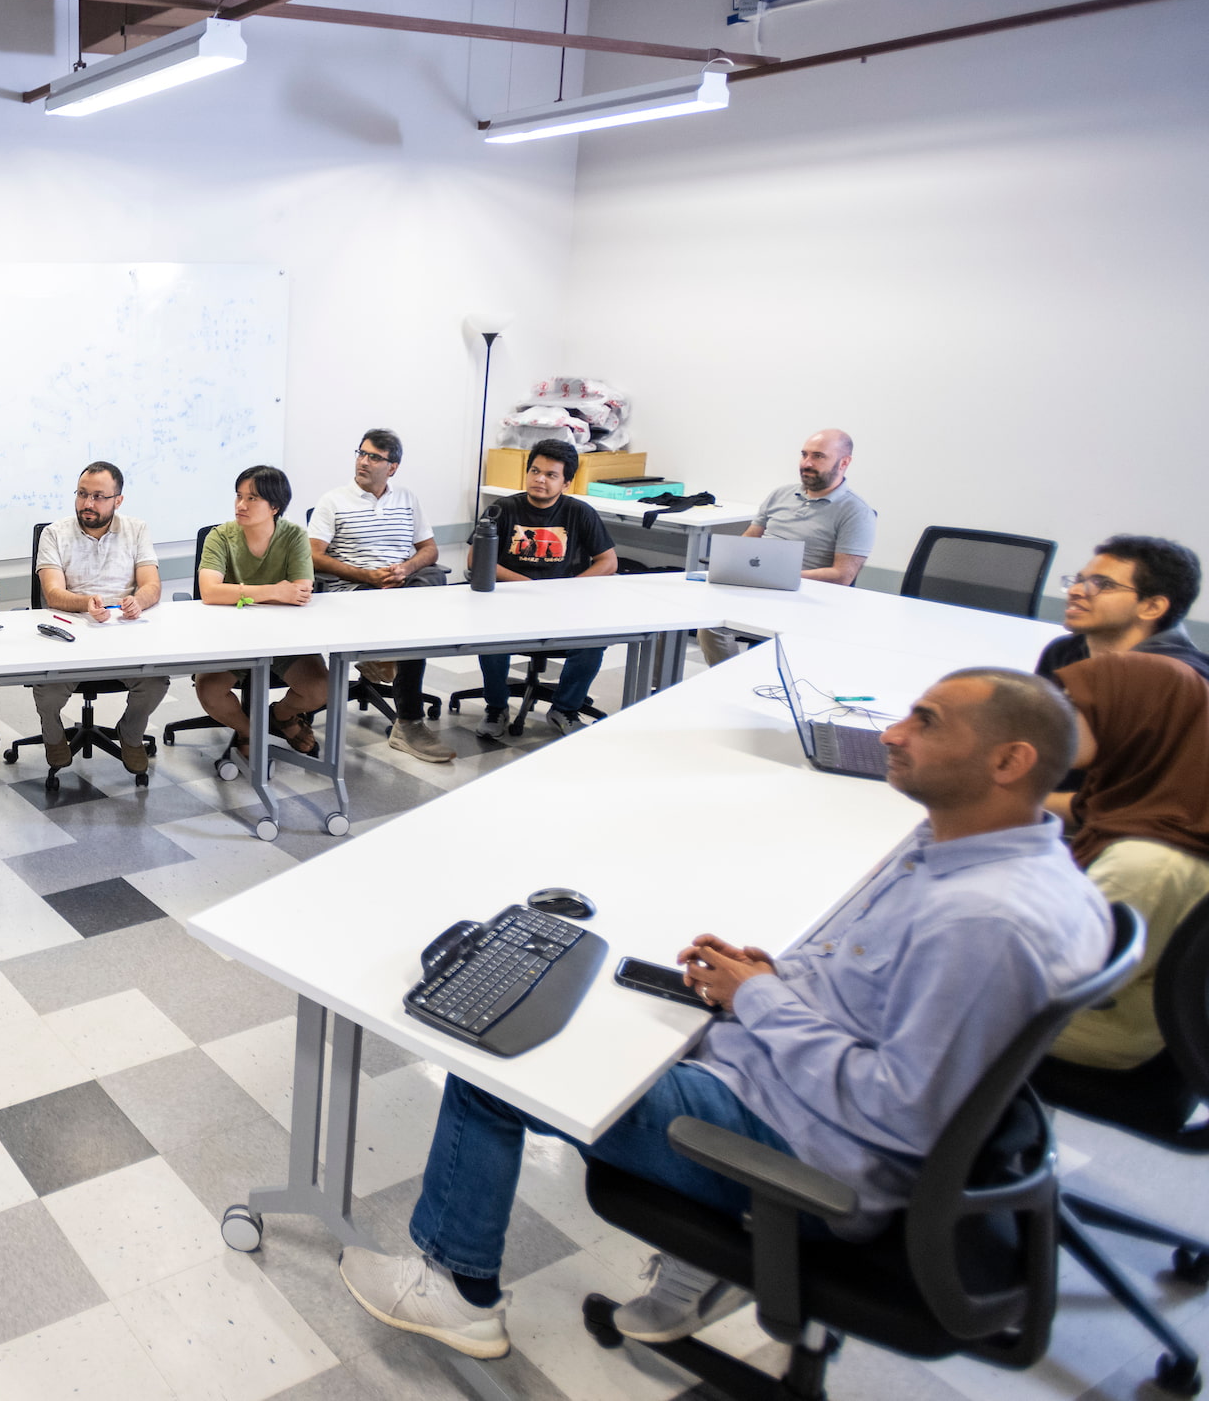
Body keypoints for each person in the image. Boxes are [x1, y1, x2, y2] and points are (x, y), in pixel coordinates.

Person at [336, 668, 1107, 1359]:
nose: (894, 733)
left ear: (1010, 762)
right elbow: (891, 998)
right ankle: (704, 1264)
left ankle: (456, 1289)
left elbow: (900, 1108)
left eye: (928, 722)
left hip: (806, 1150)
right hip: (792, 1087)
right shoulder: (992, 853)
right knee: (598, 993)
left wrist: (761, 998)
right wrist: (773, 979)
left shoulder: (985, 922)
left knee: (493, 1065)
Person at [1026, 654, 1209, 1132]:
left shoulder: (1149, 862)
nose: (1057, 718)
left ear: (1137, 723)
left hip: (1106, 1029)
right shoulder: (1166, 800)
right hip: (1141, 1013)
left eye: (1077, 708)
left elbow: (1057, 980)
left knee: (880, 991)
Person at [309, 429, 452, 764]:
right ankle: (410, 722)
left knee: (431, 579)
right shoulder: (333, 501)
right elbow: (312, 556)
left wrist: (406, 568)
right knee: (411, 630)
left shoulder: (407, 498)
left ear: (393, 467)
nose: (363, 461)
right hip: (357, 587)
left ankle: (384, 658)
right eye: (361, 453)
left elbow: (429, 550)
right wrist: (366, 575)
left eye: (374, 457)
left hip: (403, 585)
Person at [31, 462, 166, 778]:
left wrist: (138, 601)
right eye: (81, 494)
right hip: (71, 634)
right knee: (47, 693)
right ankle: (53, 736)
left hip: (123, 634)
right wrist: (84, 603)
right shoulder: (54, 533)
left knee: (156, 682)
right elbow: (52, 593)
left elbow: (152, 586)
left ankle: (131, 734)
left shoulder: (136, 529)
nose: (87, 504)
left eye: (98, 497)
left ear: (118, 500)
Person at [475, 438, 617, 738]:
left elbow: (608, 561)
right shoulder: (503, 508)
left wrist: (569, 590)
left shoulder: (580, 512)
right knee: (489, 637)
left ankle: (564, 708)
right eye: (535, 471)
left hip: (562, 607)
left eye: (551, 475)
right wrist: (528, 586)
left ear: (566, 482)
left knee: (593, 639)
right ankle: (496, 707)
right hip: (510, 602)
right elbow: (477, 560)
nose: (540, 479)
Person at [699, 429, 878, 664]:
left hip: (806, 598)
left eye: (818, 456)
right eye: (804, 455)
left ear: (844, 462)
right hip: (760, 587)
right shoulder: (780, 495)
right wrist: (732, 565)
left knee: (715, 628)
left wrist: (780, 577)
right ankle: (729, 678)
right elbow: (748, 540)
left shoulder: (856, 512)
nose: (806, 463)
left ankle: (737, 681)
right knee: (699, 616)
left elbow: (842, 575)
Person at [194, 465, 328, 762]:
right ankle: (250, 731)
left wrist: (240, 595)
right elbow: (211, 592)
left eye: (252, 499)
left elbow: (300, 592)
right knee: (209, 691)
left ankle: (280, 716)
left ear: (275, 507)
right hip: (230, 638)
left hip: (283, 637)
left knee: (320, 689)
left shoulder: (293, 536)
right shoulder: (220, 537)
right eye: (239, 496)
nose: (241, 505)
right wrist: (274, 591)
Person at [1035, 535, 1209, 685]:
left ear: (1152, 607)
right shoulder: (1063, 652)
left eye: (1104, 584)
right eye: (1079, 580)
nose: (1076, 591)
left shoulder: (1180, 680)